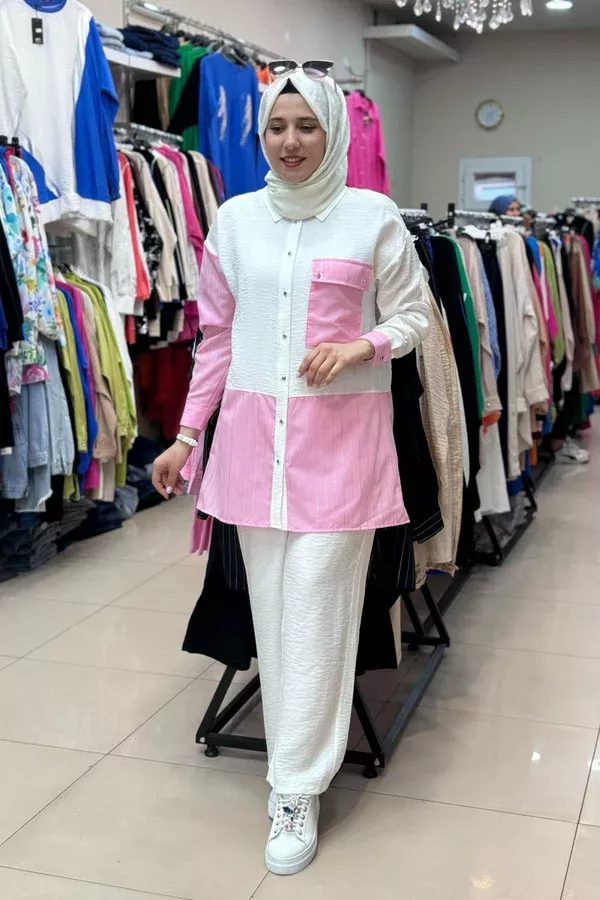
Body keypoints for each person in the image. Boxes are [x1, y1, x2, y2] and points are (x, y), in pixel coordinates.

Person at [152, 62, 430, 877]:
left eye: (307, 126)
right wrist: (186, 436)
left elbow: (415, 314)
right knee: (275, 620)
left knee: (315, 611)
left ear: (334, 130)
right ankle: (294, 762)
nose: (291, 141)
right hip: (250, 455)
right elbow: (216, 338)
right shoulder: (235, 221)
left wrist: (361, 344)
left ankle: (297, 788)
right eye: (277, 126)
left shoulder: (373, 218)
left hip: (341, 457)